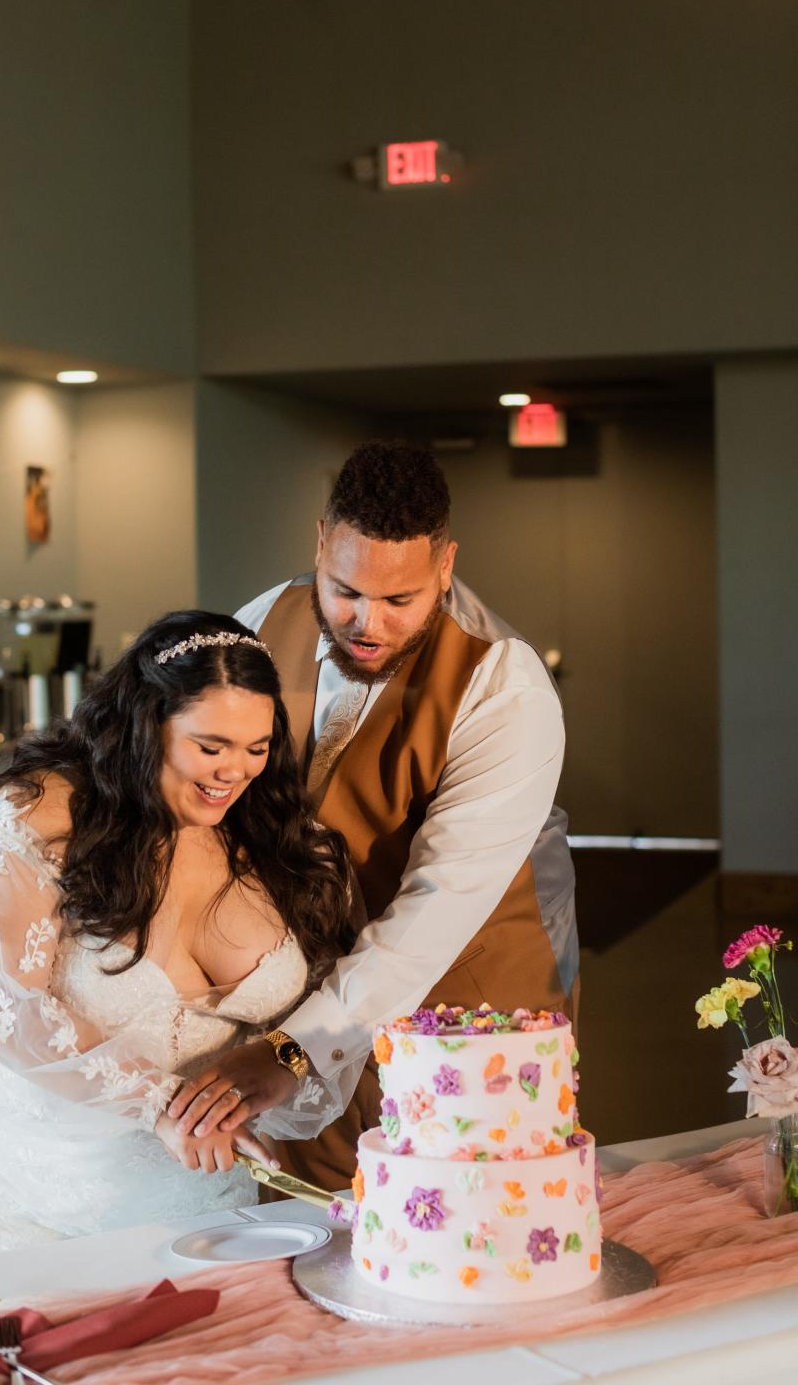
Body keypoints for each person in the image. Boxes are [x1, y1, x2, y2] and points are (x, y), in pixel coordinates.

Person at [0, 611, 358, 1270]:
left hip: (190, 1188)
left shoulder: (273, 838)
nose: (235, 772)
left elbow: (333, 1005)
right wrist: (157, 1100)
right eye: (210, 746)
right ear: (148, 722)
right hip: (16, 1188)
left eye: (256, 746)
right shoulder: (46, 811)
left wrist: (278, 1063)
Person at [168, 442, 577, 1191]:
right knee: (319, 1228)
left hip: (464, 1005)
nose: (368, 624)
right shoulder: (261, 624)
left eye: (400, 601)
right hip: (307, 992)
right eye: (346, 590)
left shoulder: (504, 685)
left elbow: (433, 913)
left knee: (464, 1233)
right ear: (322, 543)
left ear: (446, 566)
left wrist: (295, 1051)